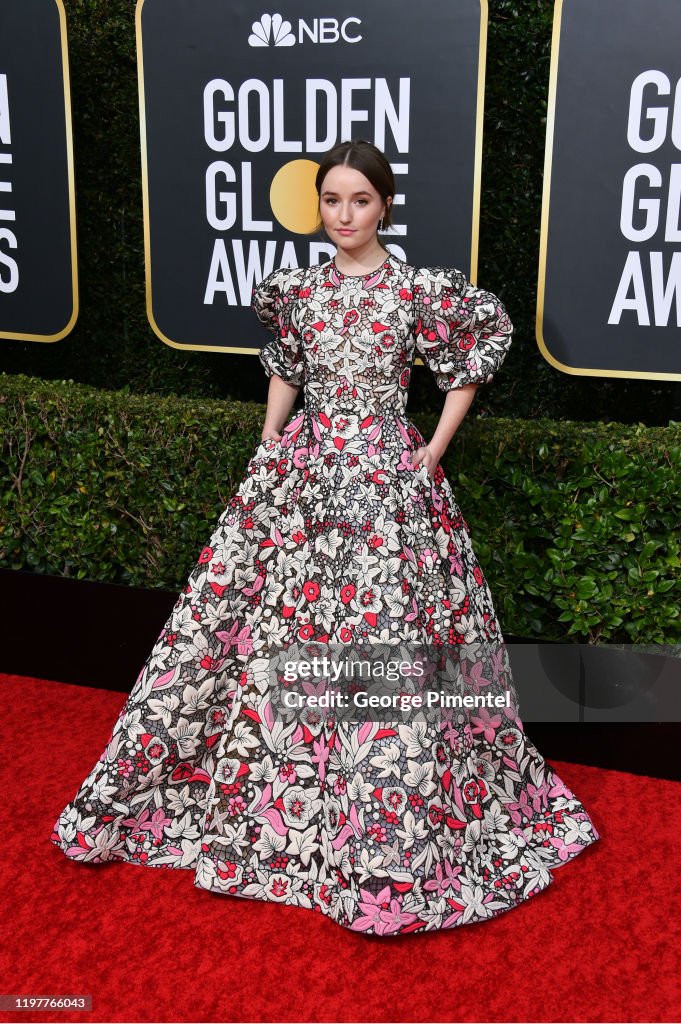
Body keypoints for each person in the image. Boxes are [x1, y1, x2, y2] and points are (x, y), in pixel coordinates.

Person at [51, 139, 599, 937]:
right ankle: (282, 812)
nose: (344, 216)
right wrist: (271, 439)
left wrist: (433, 447)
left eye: (360, 201)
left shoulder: (415, 290)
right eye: (332, 200)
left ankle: (386, 820)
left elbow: (471, 357)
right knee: (267, 626)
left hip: (384, 477)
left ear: (384, 205)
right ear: (319, 204)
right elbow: (285, 368)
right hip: (302, 473)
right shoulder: (296, 292)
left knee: (387, 637)